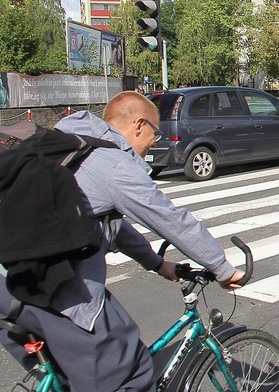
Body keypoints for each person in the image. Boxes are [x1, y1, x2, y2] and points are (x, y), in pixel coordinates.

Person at [0, 91, 244, 391]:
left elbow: (105, 220)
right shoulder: (113, 164)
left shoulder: (69, 144)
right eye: (155, 132)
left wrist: (156, 263)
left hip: (8, 281)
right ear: (139, 125)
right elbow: (169, 219)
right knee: (132, 371)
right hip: (45, 289)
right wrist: (223, 268)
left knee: (64, 380)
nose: (156, 141)